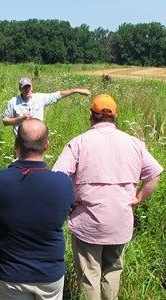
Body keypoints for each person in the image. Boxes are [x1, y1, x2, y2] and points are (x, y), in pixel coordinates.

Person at [52, 94, 164, 300]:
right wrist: (138, 198)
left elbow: (58, 176)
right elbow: (154, 174)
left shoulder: (78, 143)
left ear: (90, 116)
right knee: (113, 271)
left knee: (89, 275)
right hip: (119, 221)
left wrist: (71, 199)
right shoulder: (133, 143)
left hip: (88, 221)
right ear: (115, 117)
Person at [0, 118, 75, 300]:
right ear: (47, 145)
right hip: (49, 274)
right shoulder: (63, 183)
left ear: (16, 143)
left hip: (9, 272)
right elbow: (66, 212)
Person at [3, 77, 91, 136]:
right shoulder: (13, 102)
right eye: (24, 87)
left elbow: (57, 95)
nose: (27, 90)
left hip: (38, 139)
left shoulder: (39, 98)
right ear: (20, 89)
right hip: (21, 141)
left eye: (29, 87)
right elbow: (5, 122)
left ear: (32, 87)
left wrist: (76, 90)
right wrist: (21, 118)